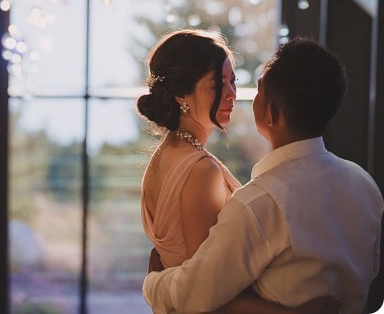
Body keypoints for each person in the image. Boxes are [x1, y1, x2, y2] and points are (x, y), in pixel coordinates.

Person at [142, 36, 384, 314]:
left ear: (269, 112)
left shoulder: (260, 202)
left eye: (234, 81)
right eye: (219, 83)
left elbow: (198, 291)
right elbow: (370, 276)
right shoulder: (365, 184)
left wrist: (153, 283)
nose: (233, 93)